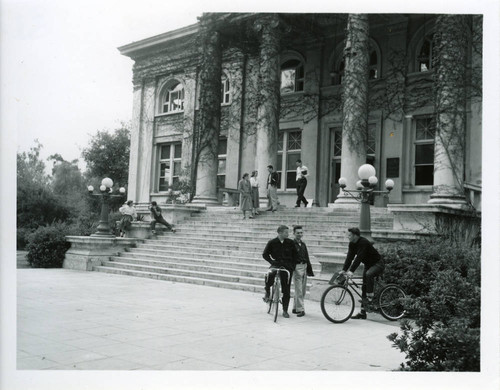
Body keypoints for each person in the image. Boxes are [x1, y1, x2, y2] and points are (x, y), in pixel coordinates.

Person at [341, 227, 384, 319]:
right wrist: (344, 269)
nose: (347, 237)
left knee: (368, 275)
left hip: (378, 264)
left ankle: (370, 298)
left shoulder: (363, 242)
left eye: (349, 235)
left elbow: (359, 257)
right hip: (368, 265)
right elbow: (349, 257)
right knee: (364, 287)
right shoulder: (352, 244)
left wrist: (351, 271)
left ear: (355, 236)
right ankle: (363, 313)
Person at [262, 225, 298, 318]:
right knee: (269, 275)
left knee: (286, 289)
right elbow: (265, 254)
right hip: (276, 264)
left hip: (287, 266)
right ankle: (267, 291)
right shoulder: (272, 242)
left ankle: (285, 310)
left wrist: (292, 267)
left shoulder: (290, 242)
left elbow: (295, 255)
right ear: (280, 233)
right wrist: (272, 261)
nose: (288, 234)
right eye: (286, 232)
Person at [291, 225, 314, 317]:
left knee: (302, 290)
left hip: (304, 266)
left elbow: (307, 256)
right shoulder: (291, 244)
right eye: (298, 233)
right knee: (299, 289)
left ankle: (295, 307)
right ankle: (300, 309)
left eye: (301, 233)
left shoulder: (303, 244)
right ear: (294, 233)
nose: (300, 234)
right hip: (296, 267)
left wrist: (309, 269)